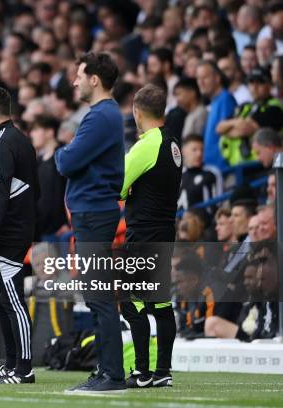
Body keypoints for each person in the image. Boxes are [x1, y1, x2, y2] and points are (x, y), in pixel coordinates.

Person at [55, 52, 126, 393]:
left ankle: (112, 374)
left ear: (94, 79)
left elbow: (67, 162)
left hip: (94, 211)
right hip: (93, 210)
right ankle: (104, 370)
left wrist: (61, 152)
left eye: (79, 75)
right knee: (94, 293)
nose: (74, 81)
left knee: (98, 295)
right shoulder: (103, 114)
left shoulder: (100, 116)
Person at [119, 84, 182, 388]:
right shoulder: (173, 144)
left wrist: (128, 189)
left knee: (131, 303)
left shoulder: (146, 145)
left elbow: (118, 186)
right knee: (160, 303)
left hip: (142, 235)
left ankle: (142, 372)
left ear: (137, 112)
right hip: (164, 232)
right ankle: (164, 372)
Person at [0, 87, 39, 385]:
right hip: (13, 228)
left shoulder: (2, 142)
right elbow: (32, 190)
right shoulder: (20, 140)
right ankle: (12, 362)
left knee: (13, 299)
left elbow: (0, 195)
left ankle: (24, 368)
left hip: (8, 233)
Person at [217, 67, 283, 165]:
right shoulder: (244, 106)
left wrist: (227, 130)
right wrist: (236, 122)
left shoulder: (274, 108)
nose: (255, 86)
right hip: (237, 165)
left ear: (270, 85)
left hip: (261, 165)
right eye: (251, 82)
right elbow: (219, 128)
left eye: (260, 82)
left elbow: (245, 129)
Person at [29, 115, 69, 241]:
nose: (32, 134)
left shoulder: (64, 156)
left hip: (62, 231)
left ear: (50, 132)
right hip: (42, 232)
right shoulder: (38, 162)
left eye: (36, 130)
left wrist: (69, 224)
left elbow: (69, 191)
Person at [196, 60, 237, 170]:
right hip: (211, 169)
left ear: (217, 78)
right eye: (198, 79)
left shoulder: (225, 98)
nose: (201, 82)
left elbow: (226, 133)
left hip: (223, 170)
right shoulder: (214, 102)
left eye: (204, 78)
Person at [177, 134, 221, 215]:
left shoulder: (212, 172)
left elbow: (219, 202)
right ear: (183, 151)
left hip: (205, 223)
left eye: (201, 150)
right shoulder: (177, 175)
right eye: (194, 150)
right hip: (179, 224)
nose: (199, 154)